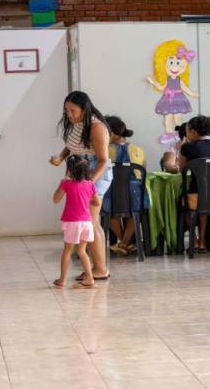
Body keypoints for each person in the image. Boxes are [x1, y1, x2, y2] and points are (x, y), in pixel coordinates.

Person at [50, 91, 112, 281]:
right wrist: (61, 157)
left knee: (90, 223)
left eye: (72, 111)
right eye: (67, 111)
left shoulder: (96, 127)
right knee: (91, 223)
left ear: (84, 110)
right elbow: (71, 145)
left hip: (94, 175)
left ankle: (100, 270)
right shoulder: (78, 124)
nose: (69, 114)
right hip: (81, 175)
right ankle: (97, 268)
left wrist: (88, 185)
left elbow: (103, 160)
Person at [102, 116, 150, 255]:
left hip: (112, 196)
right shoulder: (138, 150)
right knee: (135, 212)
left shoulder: (104, 150)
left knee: (105, 209)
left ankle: (122, 242)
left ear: (110, 133)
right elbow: (143, 171)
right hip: (135, 197)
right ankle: (126, 242)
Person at [52, 155, 99, 289]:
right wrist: (87, 200)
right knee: (82, 251)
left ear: (69, 170)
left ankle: (62, 280)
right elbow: (97, 202)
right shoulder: (90, 184)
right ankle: (89, 278)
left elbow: (56, 199)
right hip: (86, 223)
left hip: (72, 222)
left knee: (67, 250)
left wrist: (60, 184)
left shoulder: (66, 184)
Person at [178, 115, 210, 253]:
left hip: (195, 196)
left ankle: (194, 239)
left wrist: (181, 149)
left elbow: (182, 169)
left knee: (181, 204)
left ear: (194, 132)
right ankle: (203, 242)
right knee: (204, 203)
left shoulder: (187, 147)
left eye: (187, 131)